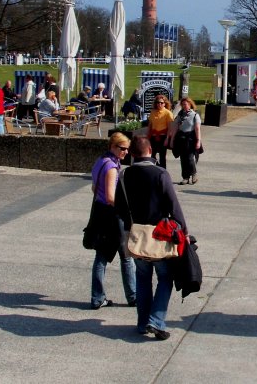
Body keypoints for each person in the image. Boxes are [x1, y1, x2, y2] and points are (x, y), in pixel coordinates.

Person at [118, 136, 189, 340]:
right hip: (159, 235)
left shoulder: (124, 175)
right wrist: (184, 231)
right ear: (151, 150)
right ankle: (156, 320)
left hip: (136, 236)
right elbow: (174, 206)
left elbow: (120, 208)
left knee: (142, 278)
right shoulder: (160, 174)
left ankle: (142, 323)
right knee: (165, 278)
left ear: (132, 154)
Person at [88, 131, 137, 309]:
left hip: (100, 213)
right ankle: (132, 296)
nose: (125, 152)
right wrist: (126, 208)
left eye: (127, 149)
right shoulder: (112, 168)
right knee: (126, 257)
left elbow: (94, 188)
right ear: (112, 146)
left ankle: (97, 297)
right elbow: (111, 197)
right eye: (122, 148)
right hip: (113, 216)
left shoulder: (100, 161)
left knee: (101, 257)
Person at [167, 97, 202, 184]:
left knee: (190, 158)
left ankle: (194, 174)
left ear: (190, 104)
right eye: (182, 105)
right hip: (181, 138)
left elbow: (197, 129)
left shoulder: (195, 115)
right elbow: (175, 128)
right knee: (183, 159)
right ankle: (185, 177)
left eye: (185, 104)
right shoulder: (180, 115)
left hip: (191, 138)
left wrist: (198, 141)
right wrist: (172, 140)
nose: (184, 106)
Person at [146, 94, 173, 168]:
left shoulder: (168, 113)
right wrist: (148, 137)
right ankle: (155, 168)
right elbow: (150, 125)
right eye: (158, 102)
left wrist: (167, 139)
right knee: (151, 154)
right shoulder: (153, 112)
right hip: (153, 136)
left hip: (163, 136)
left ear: (165, 104)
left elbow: (170, 127)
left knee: (162, 156)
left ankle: (163, 171)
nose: (159, 104)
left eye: (162, 103)